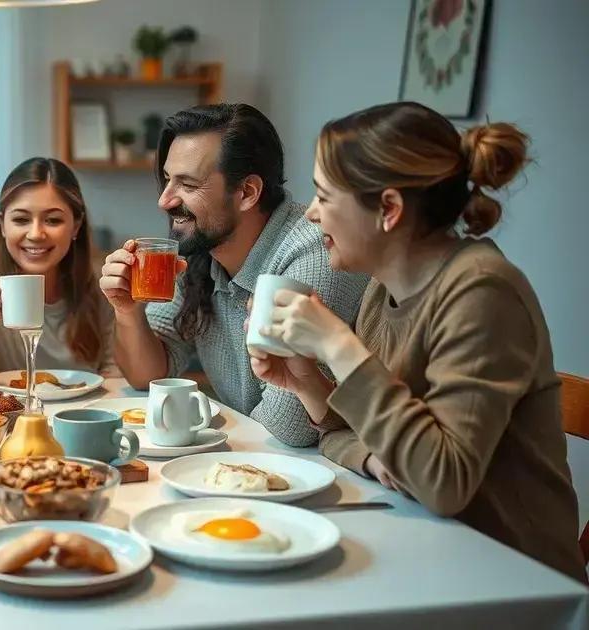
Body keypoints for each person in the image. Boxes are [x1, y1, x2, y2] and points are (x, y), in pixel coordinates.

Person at [250, 101, 585, 582]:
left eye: (324, 198)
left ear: (388, 209)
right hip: (425, 547)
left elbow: (443, 482)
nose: (311, 215)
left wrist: (339, 347)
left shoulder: (482, 291)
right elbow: (349, 437)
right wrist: (306, 380)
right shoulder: (381, 290)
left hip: (510, 577)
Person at [99, 103, 366, 446]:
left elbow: (290, 428)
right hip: (252, 457)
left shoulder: (311, 252)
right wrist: (128, 311)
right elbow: (148, 377)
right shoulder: (201, 251)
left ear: (247, 193)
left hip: (315, 471)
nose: (164, 201)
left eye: (188, 184)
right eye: (167, 180)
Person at [0, 157, 116, 386]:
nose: (36, 234)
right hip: (10, 415)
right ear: (2, 225)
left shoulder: (100, 281)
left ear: (76, 226)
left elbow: (114, 375)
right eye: (21, 219)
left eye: (52, 220)